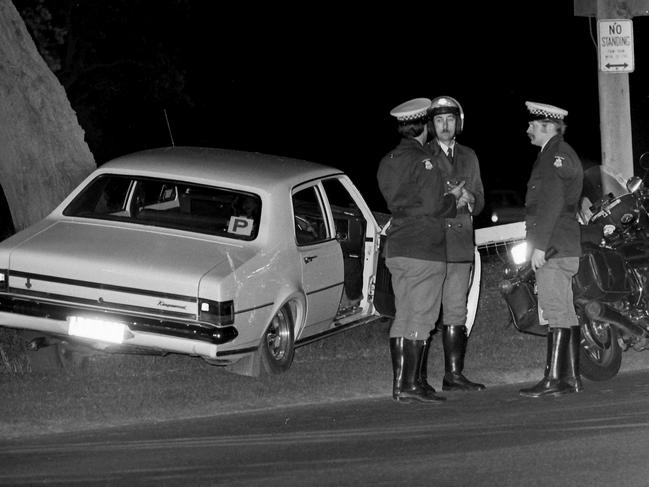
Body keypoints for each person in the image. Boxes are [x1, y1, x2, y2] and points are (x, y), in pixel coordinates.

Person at [377, 97, 463, 403]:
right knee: (423, 317)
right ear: (425, 127)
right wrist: (451, 199)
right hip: (423, 248)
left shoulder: (387, 161)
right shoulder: (424, 162)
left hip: (398, 246)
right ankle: (411, 385)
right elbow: (432, 205)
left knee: (404, 315)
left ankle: (401, 384)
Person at [519, 101, 584, 398]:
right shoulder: (560, 152)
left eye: (532, 126)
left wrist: (540, 247)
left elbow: (551, 204)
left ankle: (554, 379)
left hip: (554, 246)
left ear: (547, 127)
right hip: (567, 244)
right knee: (567, 313)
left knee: (556, 312)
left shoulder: (553, 156)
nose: (528, 129)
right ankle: (571, 379)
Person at [425, 96, 486, 392]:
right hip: (433, 245)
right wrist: (453, 198)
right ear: (431, 124)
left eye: (449, 120)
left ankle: (453, 375)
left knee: (455, 309)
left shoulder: (469, 156)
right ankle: (416, 378)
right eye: (439, 120)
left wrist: (470, 198)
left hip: (460, 244)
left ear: (458, 123)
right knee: (424, 309)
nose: (445, 126)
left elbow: (480, 198)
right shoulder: (422, 157)